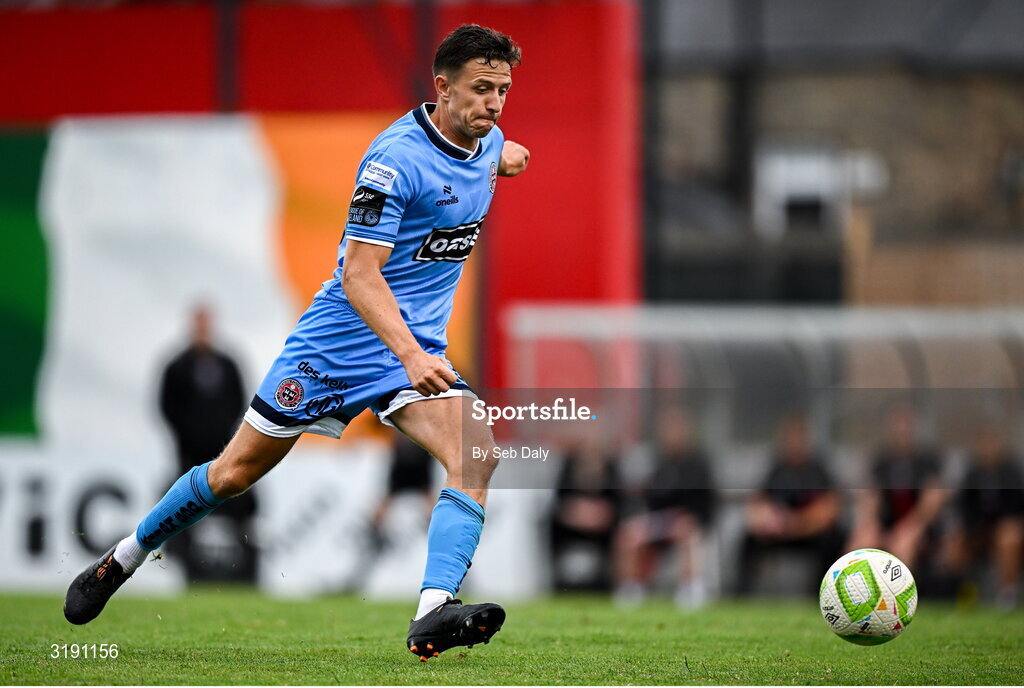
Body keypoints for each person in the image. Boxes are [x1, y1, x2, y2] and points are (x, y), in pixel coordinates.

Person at [64, 25, 530, 661]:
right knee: (232, 474)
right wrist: (412, 354)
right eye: (482, 90)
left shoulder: (488, 137)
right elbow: (358, 275)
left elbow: (490, 155)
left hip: (408, 351)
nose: (495, 104)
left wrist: (509, 156)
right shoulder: (392, 162)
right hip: (342, 342)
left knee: (476, 451)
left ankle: (432, 611)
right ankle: (122, 558)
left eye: (503, 90)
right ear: (442, 88)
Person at [158, 305, 256, 583]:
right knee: (182, 506)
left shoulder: (227, 364)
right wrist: (187, 434)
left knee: (241, 501)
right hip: (188, 456)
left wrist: (224, 433)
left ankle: (244, 568)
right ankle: (186, 567)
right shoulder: (176, 367)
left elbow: (240, 402)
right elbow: (166, 406)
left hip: (222, 453)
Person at [613, 406, 714, 609]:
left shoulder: (698, 465)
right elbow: (651, 501)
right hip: (660, 521)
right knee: (630, 533)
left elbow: (707, 506)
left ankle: (691, 587)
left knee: (688, 533)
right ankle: (632, 587)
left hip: (687, 523)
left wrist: (690, 519)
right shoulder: (659, 464)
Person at [736, 413, 843, 596]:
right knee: (748, 539)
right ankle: (742, 594)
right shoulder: (777, 468)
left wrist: (798, 522)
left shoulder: (817, 470)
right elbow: (757, 502)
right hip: (780, 532)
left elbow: (831, 508)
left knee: (833, 539)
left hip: (810, 534)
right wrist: (765, 517)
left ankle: (822, 594)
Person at [846, 403, 947, 573]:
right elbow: (871, 497)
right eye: (896, 426)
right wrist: (870, 524)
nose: (901, 431)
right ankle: (856, 594)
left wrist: (911, 526)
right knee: (861, 541)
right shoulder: (881, 461)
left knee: (904, 543)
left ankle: (899, 596)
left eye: (905, 425)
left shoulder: (927, 461)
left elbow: (932, 500)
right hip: (887, 523)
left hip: (920, 527)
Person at [945, 423, 1024, 609]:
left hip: (1005, 530)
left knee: (1008, 537)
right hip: (978, 530)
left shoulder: (1011, 472)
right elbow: (964, 507)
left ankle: (1008, 593)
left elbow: (1017, 507)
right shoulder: (972, 474)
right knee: (955, 543)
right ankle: (964, 591)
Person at [549, 435, 622, 592]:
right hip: (570, 534)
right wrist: (578, 514)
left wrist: (598, 515)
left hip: (604, 536)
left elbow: (617, 507)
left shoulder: (612, 470)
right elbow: (559, 507)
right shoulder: (567, 470)